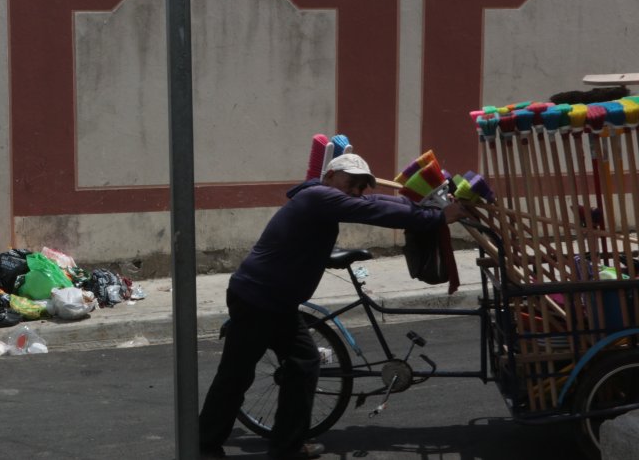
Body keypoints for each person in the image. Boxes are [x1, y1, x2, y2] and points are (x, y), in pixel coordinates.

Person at [198, 153, 466, 459]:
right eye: (351, 183)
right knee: (237, 374)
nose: (355, 191)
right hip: (258, 299)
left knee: (303, 364)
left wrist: (421, 205)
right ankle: (205, 445)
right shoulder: (318, 196)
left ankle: (287, 445)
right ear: (330, 176)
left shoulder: (320, 198)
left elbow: (379, 201)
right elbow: (373, 208)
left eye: (361, 186)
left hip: (278, 302)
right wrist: (437, 217)